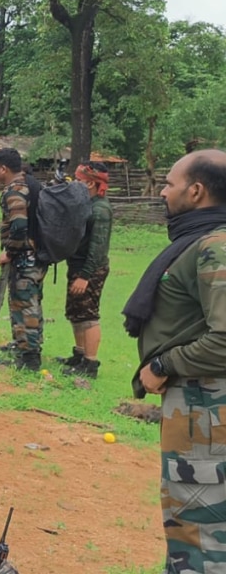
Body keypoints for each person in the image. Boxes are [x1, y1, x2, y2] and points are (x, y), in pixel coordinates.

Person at [124, 149, 226, 574]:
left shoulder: (214, 246)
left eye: (168, 184)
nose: (162, 192)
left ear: (196, 191)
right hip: (197, 409)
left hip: (205, 412)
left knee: (199, 535)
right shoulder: (200, 241)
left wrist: (163, 364)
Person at [0, 148, 47, 371]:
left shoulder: (15, 191)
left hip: (25, 258)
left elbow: (19, 226)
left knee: (25, 305)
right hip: (36, 256)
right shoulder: (31, 185)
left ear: (4, 168)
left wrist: (10, 252)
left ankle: (30, 358)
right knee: (27, 302)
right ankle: (23, 345)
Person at [57, 161, 113, 378]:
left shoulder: (100, 210)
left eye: (79, 180)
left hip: (90, 270)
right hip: (78, 266)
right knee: (76, 312)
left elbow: (98, 248)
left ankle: (90, 363)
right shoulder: (87, 204)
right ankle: (79, 355)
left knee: (88, 315)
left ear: (90, 182)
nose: (75, 183)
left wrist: (85, 276)